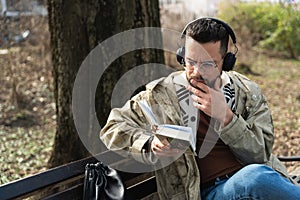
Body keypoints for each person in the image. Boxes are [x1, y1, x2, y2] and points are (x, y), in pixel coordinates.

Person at [100, 17, 300, 200]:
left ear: (226, 62)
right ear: (181, 57)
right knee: (255, 179)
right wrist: (149, 142)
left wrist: (227, 118)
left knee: (256, 177)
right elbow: (112, 128)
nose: (196, 71)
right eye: (191, 62)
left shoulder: (247, 92)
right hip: (203, 192)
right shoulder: (160, 95)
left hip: (255, 182)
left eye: (207, 64)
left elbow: (260, 154)